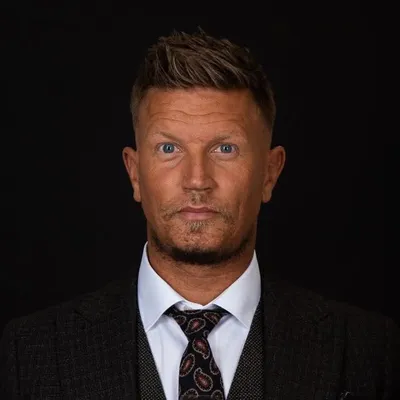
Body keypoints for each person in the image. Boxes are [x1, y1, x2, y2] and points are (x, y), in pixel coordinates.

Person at [0, 29, 398, 400]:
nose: (197, 180)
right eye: (168, 149)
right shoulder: (31, 352)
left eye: (225, 149)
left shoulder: (369, 350)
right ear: (135, 174)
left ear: (270, 173)